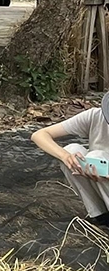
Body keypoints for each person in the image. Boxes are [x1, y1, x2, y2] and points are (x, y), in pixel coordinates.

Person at [31, 94, 109, 229]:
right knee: (72, 151)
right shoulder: (95, 116)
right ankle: (99, 215)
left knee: (97, 156)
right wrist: (65, 156)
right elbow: (39, 135)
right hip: (99, 175)